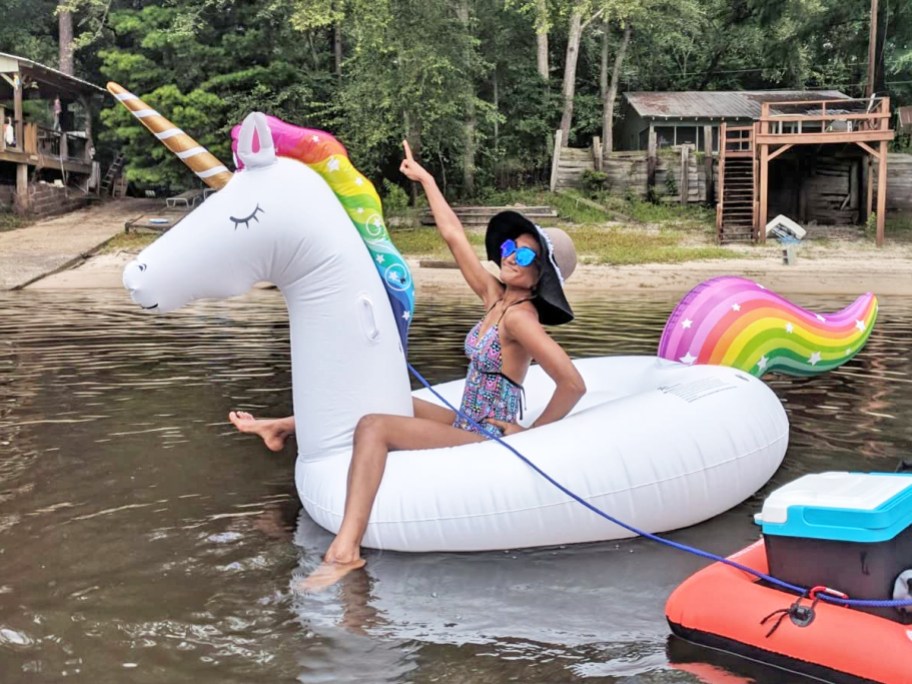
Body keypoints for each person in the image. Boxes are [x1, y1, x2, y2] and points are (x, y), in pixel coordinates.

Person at [230, 140, 586, 588]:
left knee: (375, 425)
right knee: (382, 392)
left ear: (541, 277)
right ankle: (284, 425)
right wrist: (428, 180)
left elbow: (572, 382)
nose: (513, 257)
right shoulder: (496, 298)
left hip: (483, 432)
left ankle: (345, 550)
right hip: (466, 417)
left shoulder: (520, 318)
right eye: (513, 248)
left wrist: (532, 434)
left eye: (528, 255)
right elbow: (455, 236)